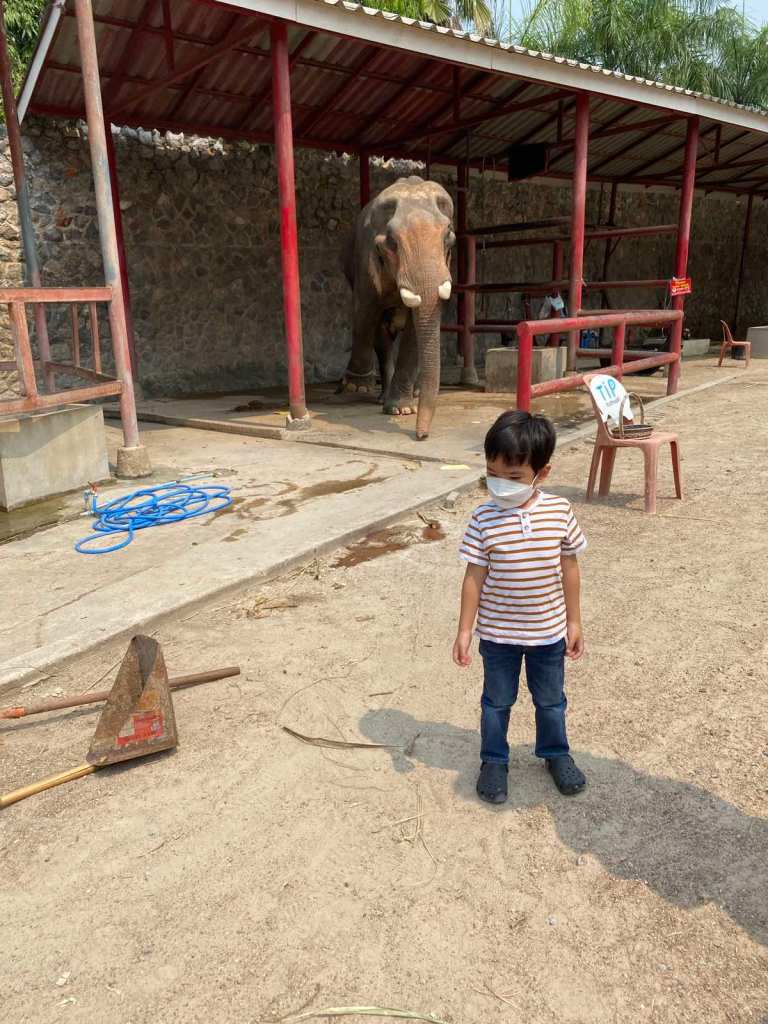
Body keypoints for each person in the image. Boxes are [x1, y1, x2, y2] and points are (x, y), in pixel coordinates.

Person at [453, 410, 587, 804]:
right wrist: (465, 630)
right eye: (491, 473)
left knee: (551, 700)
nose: (500, 485)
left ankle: (556, 753)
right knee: (496, 702)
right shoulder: (483, 517)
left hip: (548, 633)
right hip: (498, 636)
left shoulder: (559, 511)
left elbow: (570, 568)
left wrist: (575, 621)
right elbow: (474, 576)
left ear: (541, 473)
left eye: (512, 477)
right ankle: (494, 760)